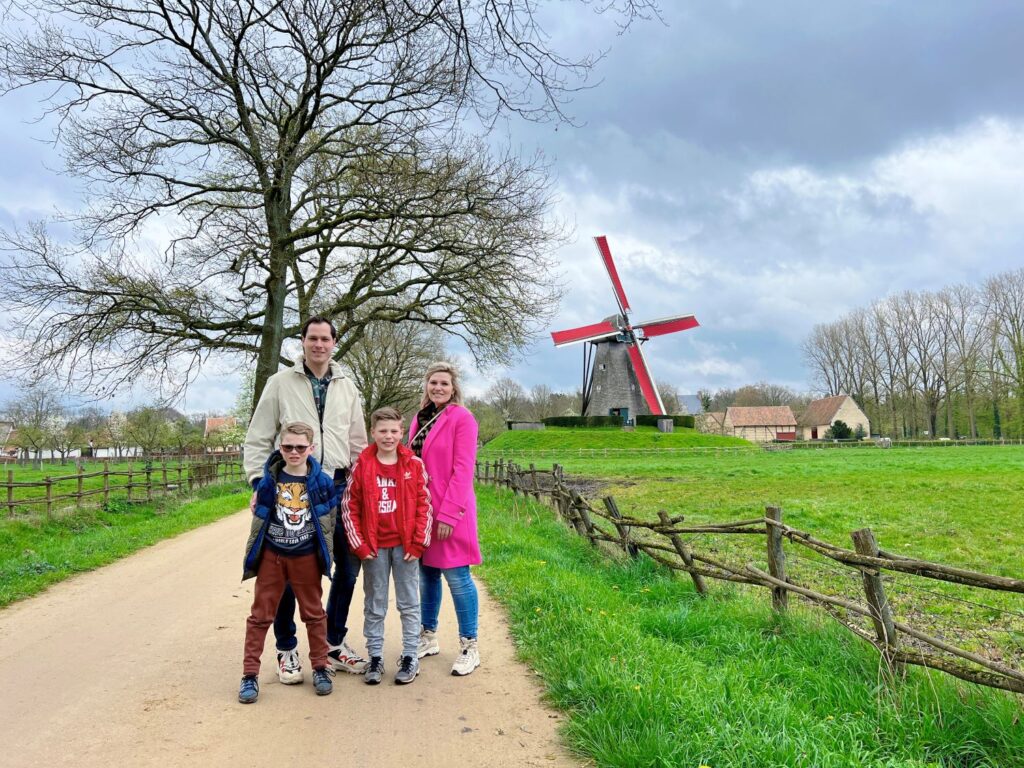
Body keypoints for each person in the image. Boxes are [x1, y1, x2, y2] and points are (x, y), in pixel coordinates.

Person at [243, 316, 369, 684]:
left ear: (334, 342)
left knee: (346, 569)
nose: (318, 344)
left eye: (325, 338)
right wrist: (257, 481)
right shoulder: (280, 383)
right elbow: (257, 438)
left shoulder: (347, 386)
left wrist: (363, 485)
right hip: (292, 491)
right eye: (311, 338)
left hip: (340, 488)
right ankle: (286, 650)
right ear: (302, 342)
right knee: (284, 573)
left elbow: (359, 442)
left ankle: (331, 643)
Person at [239, 422, 337, 703]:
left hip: (305, 557)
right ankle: (249, 675)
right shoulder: (269, 480)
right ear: (280, 448)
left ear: (312, 448)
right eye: (288, 447)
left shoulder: (322, 483)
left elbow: (330, 521)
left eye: (300, 447)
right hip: (274, 556)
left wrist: (325, 555)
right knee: (260, 616)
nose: (294, 452)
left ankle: (320, 667)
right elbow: (260, 515)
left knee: (314, 613)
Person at [341, 407, 433, 685]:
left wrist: (418, 543)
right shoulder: (363, 465)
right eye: (383, 431)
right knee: (375, 603)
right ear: (373, 432)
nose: (388, 436)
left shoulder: (413, 464)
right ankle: (376, 657)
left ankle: (409, 656)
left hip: (405, 547)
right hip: (374, 547)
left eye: (394, 431)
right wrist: (358, 544)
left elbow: (424, 505)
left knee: (408, 603)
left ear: (401, 433)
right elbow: (350, 506)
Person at [409, 361, 482, 676]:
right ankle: (428, 636)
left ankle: (469, 646)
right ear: (426, 386)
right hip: (422, 511)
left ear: (454, 389)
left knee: (457, 577)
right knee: (426, 576)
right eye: (433, 382)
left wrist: (450, 513)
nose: (438, 387)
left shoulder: (462, 418)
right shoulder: (419, 419)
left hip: (449, 510)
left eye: (444, 383)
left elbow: (463, 469)